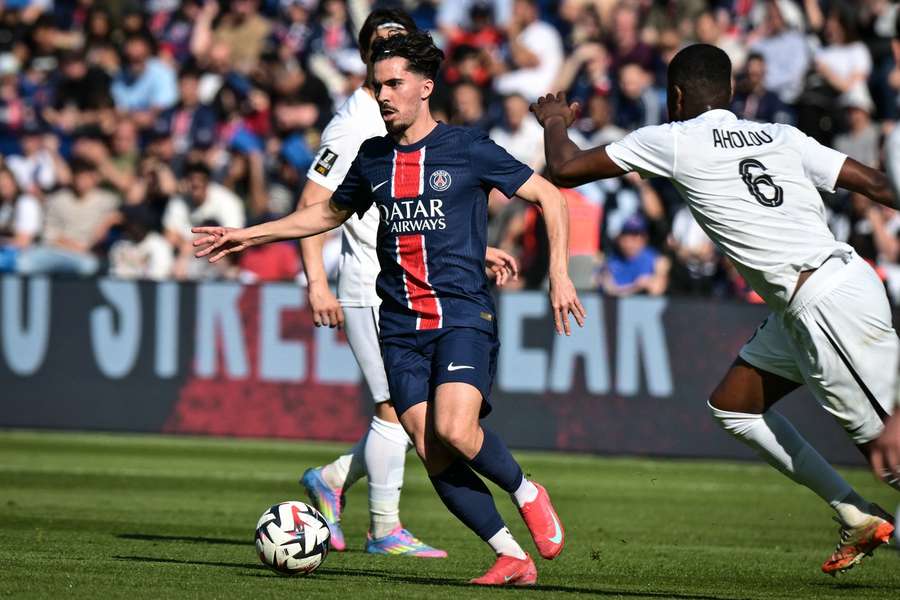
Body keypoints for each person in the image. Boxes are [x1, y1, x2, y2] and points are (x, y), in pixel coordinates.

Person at [194, 30, 584, 586]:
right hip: (397, 327)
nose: (384, 95)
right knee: (431, 448)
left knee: (454, 427)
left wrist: (560, 275)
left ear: (425, 87)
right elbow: (325, 214)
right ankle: (509, 555)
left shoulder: (467, 148)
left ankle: (527, 491)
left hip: (460, 314)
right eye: (378, 85)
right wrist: (248, 235)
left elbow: (548, 196)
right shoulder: (373, 157)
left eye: (395, 84)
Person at [531, 43, 898, 576]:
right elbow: (879, 184)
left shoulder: (673, 140)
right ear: (728, 92)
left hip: (825, 305)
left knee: (891, 460)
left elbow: (562, 169)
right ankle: (854, 513)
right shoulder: (780, 134)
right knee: (733, 406)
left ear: (675, 95)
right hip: (822, 292)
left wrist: (556, 120)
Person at [291, 9, 447, 558]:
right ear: (364, 56)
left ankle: (333, 479)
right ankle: (384, 529)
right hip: (366, 284)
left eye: (399, 41)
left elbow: (415, 205)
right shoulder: (353, 123)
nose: (390, 50)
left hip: (406, 282)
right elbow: (312, 206)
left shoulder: (402, 116)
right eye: (380, 43)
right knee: (394, 409)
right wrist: (317, 282)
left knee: (406, 408)